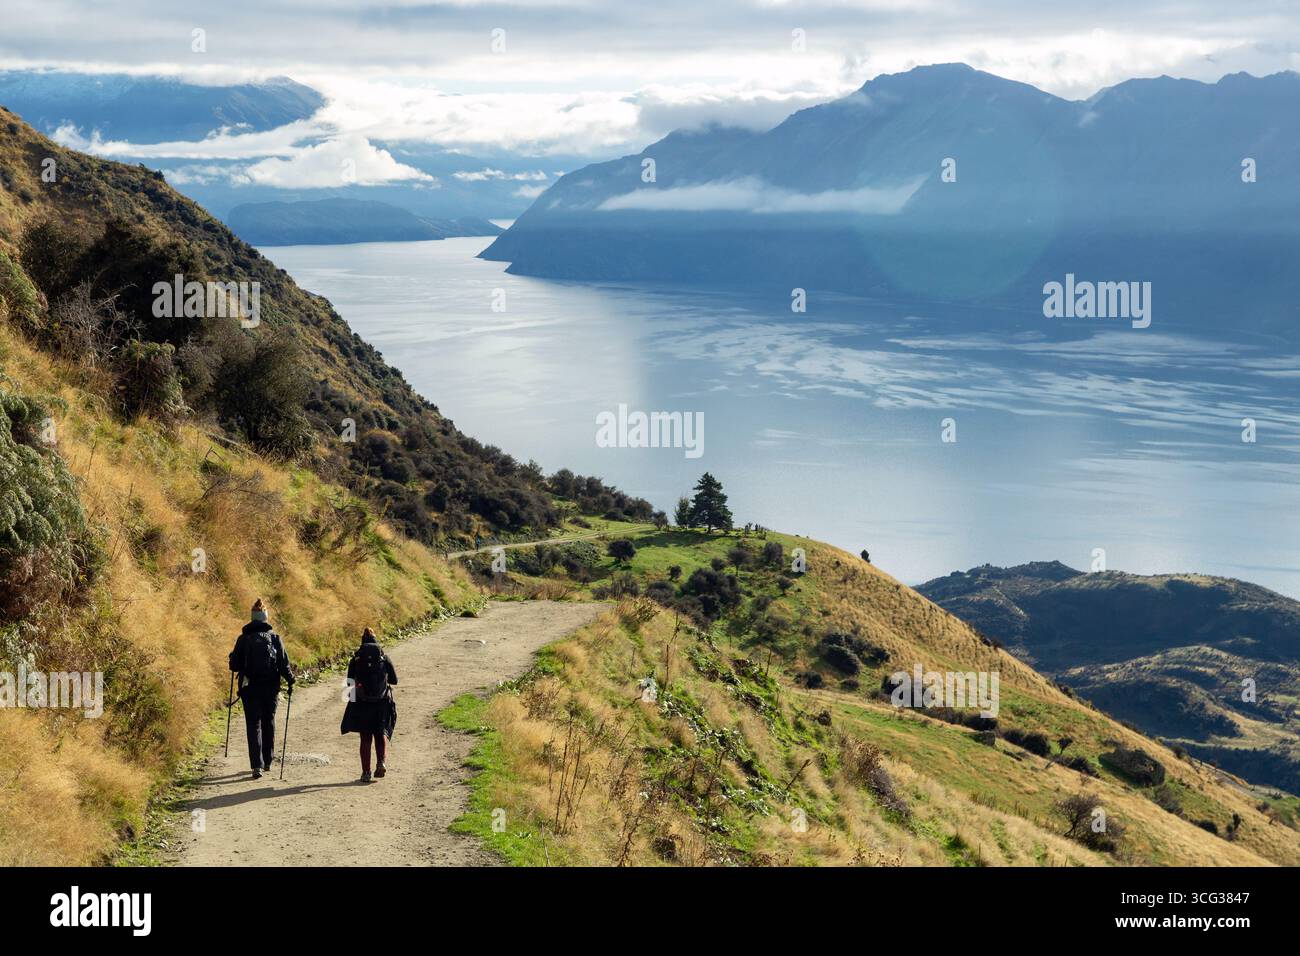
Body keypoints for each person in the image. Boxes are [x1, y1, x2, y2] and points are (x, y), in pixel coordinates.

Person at [228, 598, 294, 779]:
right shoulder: (274, 638)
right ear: (265, 617)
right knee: (268, 722)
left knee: (253, 724)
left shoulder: (243, 639)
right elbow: (283, 664)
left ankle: (256, 765)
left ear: (252, 617)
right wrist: (290, 680)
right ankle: (268, 760)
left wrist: (232, 657)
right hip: (270, 688)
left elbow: (234, 665)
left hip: (249, 689)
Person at [340, 627, 398, 783]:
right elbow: (394, 680)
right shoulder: (384, 658)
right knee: (380, 734)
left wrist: (350, 703)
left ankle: (366, 772)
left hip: (362, 703)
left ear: (362, 641)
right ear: (375, 640)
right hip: (381, 702)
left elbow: (349, 683)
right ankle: (381, 762)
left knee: (365, 738)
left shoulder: (356, 659)